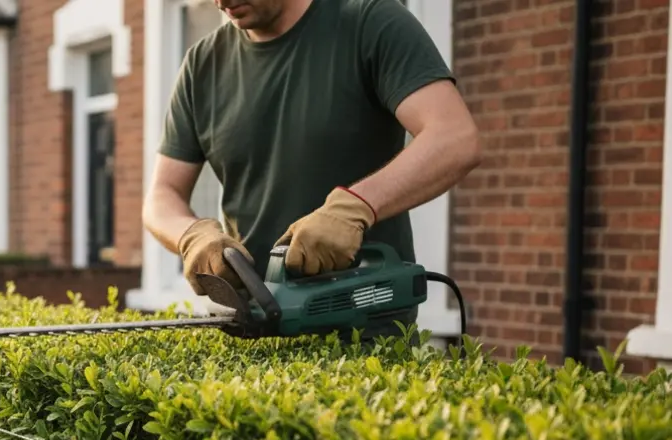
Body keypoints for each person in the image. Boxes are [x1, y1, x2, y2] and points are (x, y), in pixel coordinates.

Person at [142, 0, 481, 340]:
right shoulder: (203, 64)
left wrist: (354, 208)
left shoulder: (369, 21)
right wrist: (192, 235)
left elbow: (453, 137)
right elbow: (162, 195)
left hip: (366, 335)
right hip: (253, 329)